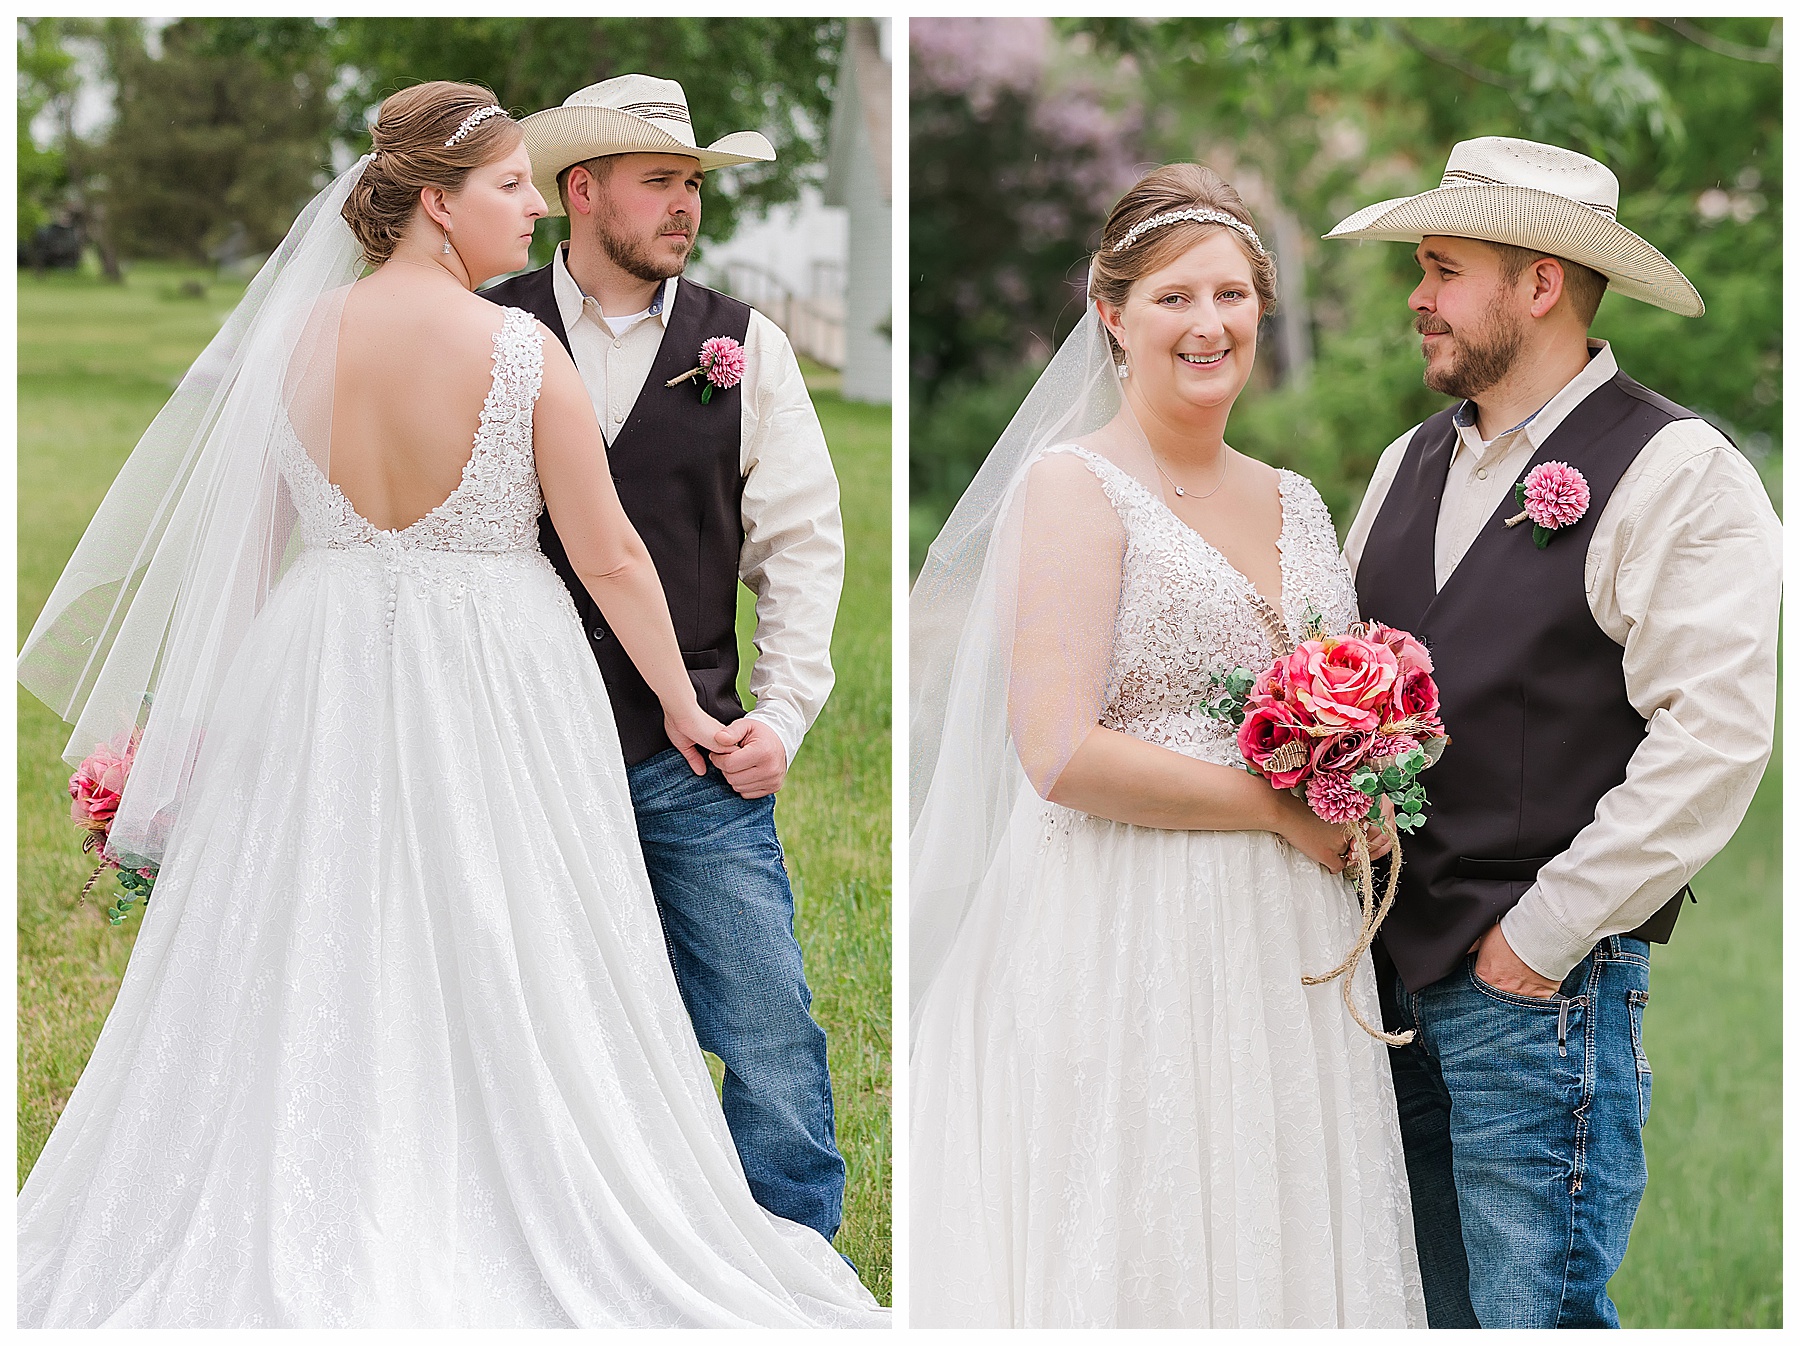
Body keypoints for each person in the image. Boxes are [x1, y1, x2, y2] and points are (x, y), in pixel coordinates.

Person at [15, 80, 886, 1328]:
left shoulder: (298, 341)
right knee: (513, 944)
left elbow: (245, 560)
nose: (529, 205)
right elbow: (612, 557)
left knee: (328, 940)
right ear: (437, 203)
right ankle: (508, 1193)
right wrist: (687, 710)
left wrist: (195, 723)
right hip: (494, 680)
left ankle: (340, 1184)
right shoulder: (517, 346)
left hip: (319, 673)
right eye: (509, 186)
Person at [909, 163, 1426, 1327]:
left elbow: (1332, 701)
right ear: (1112, 314)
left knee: (1278, 1214)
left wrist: (1363, 780)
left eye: (1234, 295)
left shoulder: (1296, 499)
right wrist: (1278, 810)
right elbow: (1057, 748)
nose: (1210, 324)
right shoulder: (1075, 487)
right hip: (1124, 918)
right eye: (1174, 298)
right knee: (1147, 1217)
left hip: (1286, 937)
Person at [1331, 136, 1781, 1329]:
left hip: (1536, 990)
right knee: (1418, 1306)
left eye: (1443, 268)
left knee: (1538, 1314)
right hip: (1381, 978)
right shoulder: (1406, 461)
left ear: (1540, 285)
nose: (1416, 298)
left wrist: (1538, 939)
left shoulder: (1680, 470)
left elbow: (1715, 741)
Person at [480, 75, 849, 1243]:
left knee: (769, 1021)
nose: (686, 205)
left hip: (690, 753)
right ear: (582, 191)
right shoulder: (487, 324)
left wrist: (781, 716)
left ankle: (796, 1261)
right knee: (528, 1016)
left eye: (693, 184)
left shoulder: (746, 347)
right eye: (661, 182)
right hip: (510, 741)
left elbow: (799, 551)